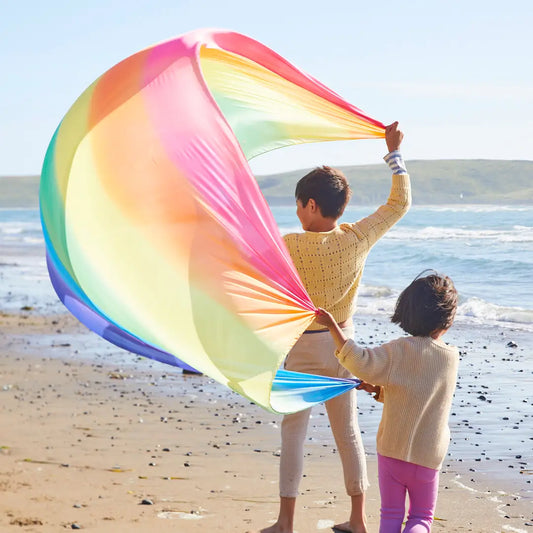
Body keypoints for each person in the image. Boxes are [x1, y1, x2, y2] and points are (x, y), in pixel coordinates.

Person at [259, 122, 411, 533]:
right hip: (343, 347)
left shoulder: (287, 246)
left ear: (310, 204)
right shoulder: (356, 239)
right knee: (348, 433)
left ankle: (285, 522)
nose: (295, 212)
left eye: (297, 204)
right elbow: (399, 205)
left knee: (293, 432)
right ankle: (359, 520)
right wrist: (393, 153)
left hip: (298, 349)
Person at [315, 271, 459, 533]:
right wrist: (380, 391)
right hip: (428, 453)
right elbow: (422, 394)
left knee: (391, 514)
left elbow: (360, 361)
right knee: (422, 518)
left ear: (407, 312)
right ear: (447, 320)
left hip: (393, 450)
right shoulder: (450, 358)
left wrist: (332, 326)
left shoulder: (397, 350)